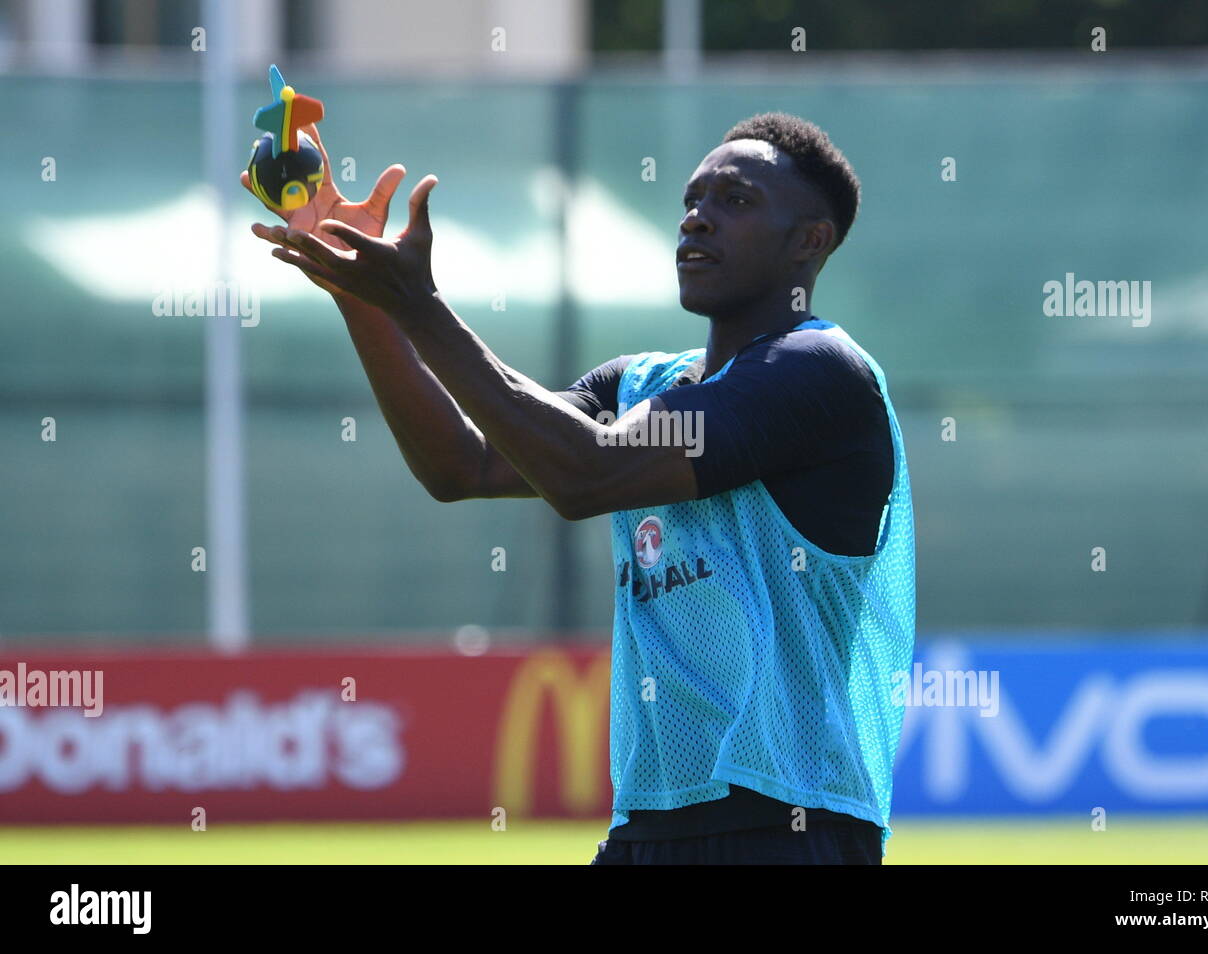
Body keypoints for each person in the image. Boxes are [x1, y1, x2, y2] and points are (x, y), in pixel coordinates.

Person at [246, 111, 915, 865]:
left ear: (809, 241)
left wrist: (419, 306)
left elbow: (586, 472)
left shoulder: (821, 371)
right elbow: (461, 466)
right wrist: (365, 298)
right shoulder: (637, 384)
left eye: (735, 200)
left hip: (793, 829)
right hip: (649, 824)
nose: (697, 216)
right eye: (693, 198)